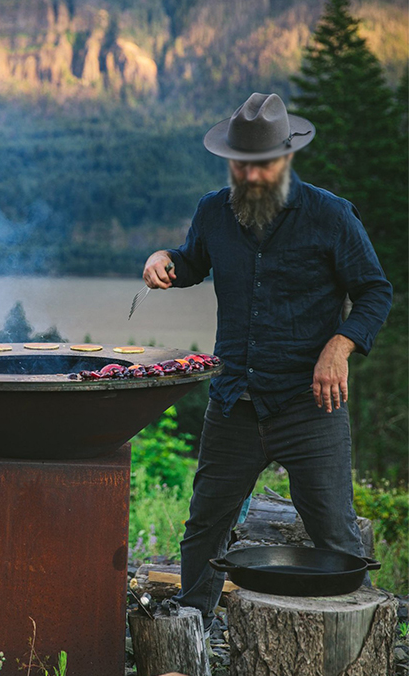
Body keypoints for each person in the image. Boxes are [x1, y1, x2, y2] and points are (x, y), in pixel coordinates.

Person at [142, 92, 392, 630]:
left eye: (263, 166)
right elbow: (193, 262)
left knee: (336, 537)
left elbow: (375, 292)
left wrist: (339, 345)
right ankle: (191, 632)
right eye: (241, 165)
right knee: (206, 526)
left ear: (287, 156)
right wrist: (166, 261)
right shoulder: (213, 209)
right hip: (233, 400)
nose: (251, 177)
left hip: (310, 405)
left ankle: (352, 648)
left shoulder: (330, 215)